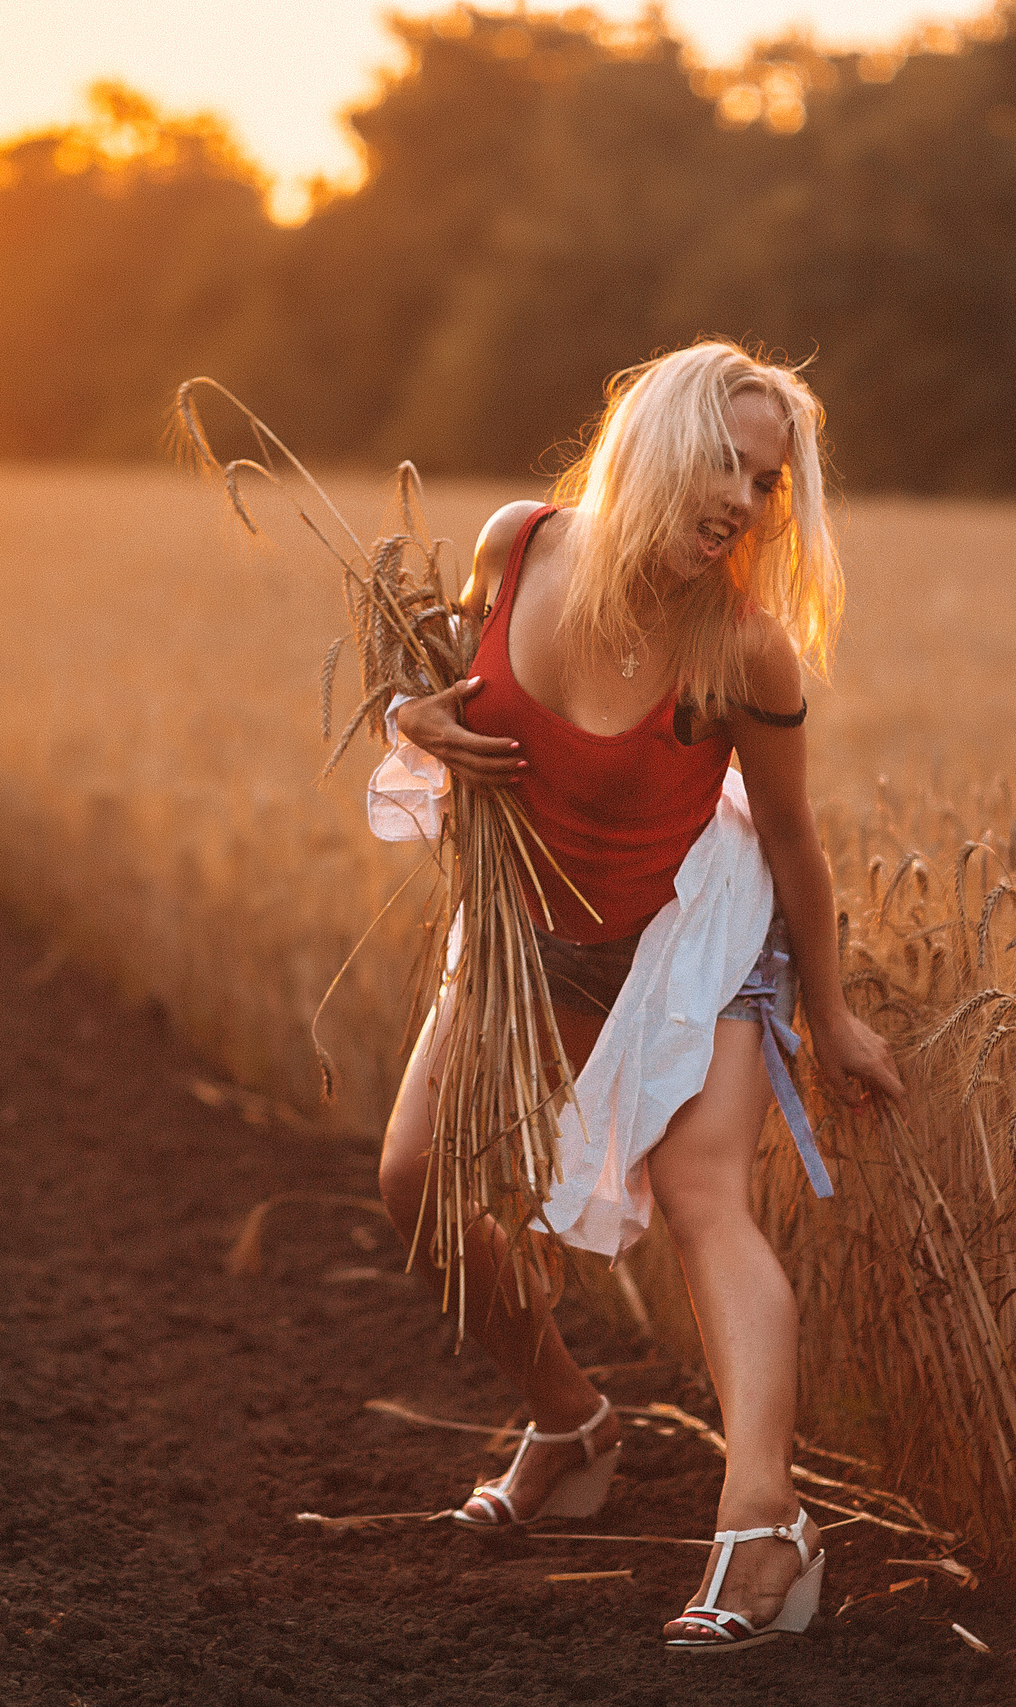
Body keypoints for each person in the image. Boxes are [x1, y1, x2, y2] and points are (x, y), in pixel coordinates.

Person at [371, 340, 904, 1654]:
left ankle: (760, 1526)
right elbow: (440, 691)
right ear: (656, 439)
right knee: (414, 1179)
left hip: (686, 943)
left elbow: (790, 844)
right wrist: (406, 713)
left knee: (704, 1203)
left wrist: (828, 1013)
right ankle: (571, 1421)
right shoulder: (519, 545)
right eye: (725, 457)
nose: (744, 496)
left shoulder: (742, 649)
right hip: (524, 935)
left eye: (769, 481)